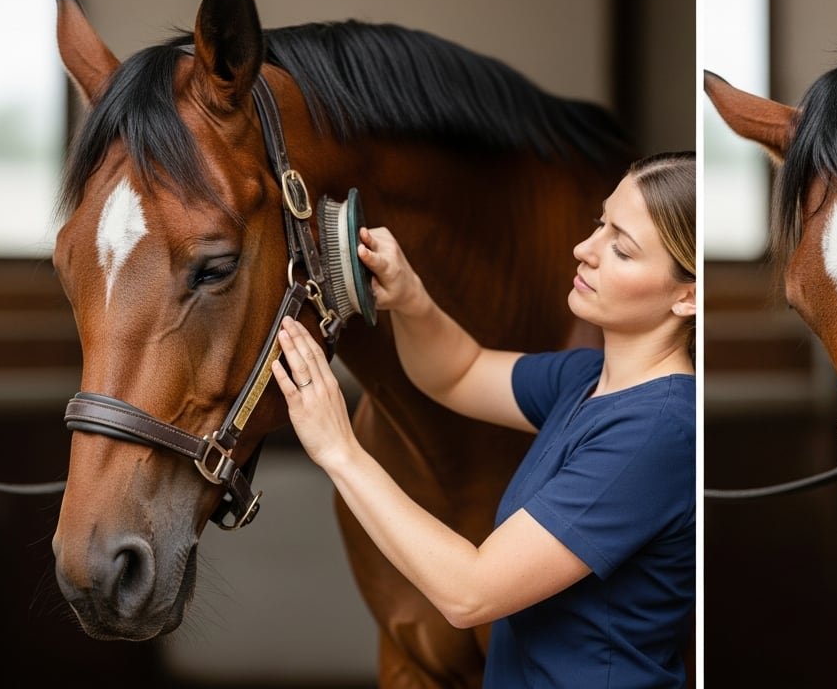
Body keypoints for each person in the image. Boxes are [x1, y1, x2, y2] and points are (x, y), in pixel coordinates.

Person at [270, 151, 697, 687]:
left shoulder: (657, 432)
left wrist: (340, 451)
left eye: (622, 248)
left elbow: (470, 593)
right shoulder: (586, 379)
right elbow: (460, 372)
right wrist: (411, 297)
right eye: (599, 224)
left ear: (687, 296)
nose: (584, 250)